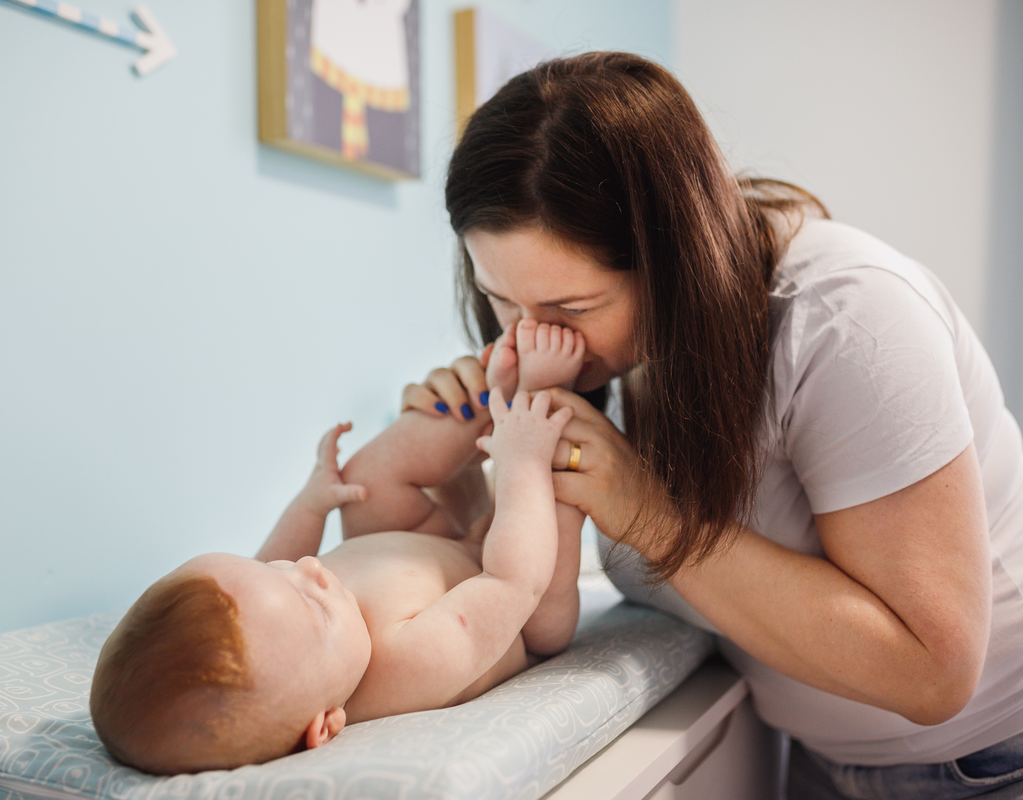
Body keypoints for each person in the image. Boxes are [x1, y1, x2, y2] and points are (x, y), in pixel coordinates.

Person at [403, 51, 1023, 799]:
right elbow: (524, 592)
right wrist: (472, 471)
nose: (528, 336)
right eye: (500, 298)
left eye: (571, 310)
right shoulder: (609, 356)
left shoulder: (846, 320)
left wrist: (648, 513)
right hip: (818, 757)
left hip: (985, 763)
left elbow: (934, 671)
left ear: (673, 260)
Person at [88, 326, 587, 775]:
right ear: (323, 726)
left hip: (432, 542)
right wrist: (520, 464)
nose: (311, 569)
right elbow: (513, 581)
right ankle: (538, 397)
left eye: (280, 572)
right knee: (554, 494)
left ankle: (487, 402)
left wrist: (310, 506)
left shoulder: (279, 629)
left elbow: (272, 560)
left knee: (364, 481)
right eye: (313, 606)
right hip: (518, 599)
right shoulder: (405, 666)